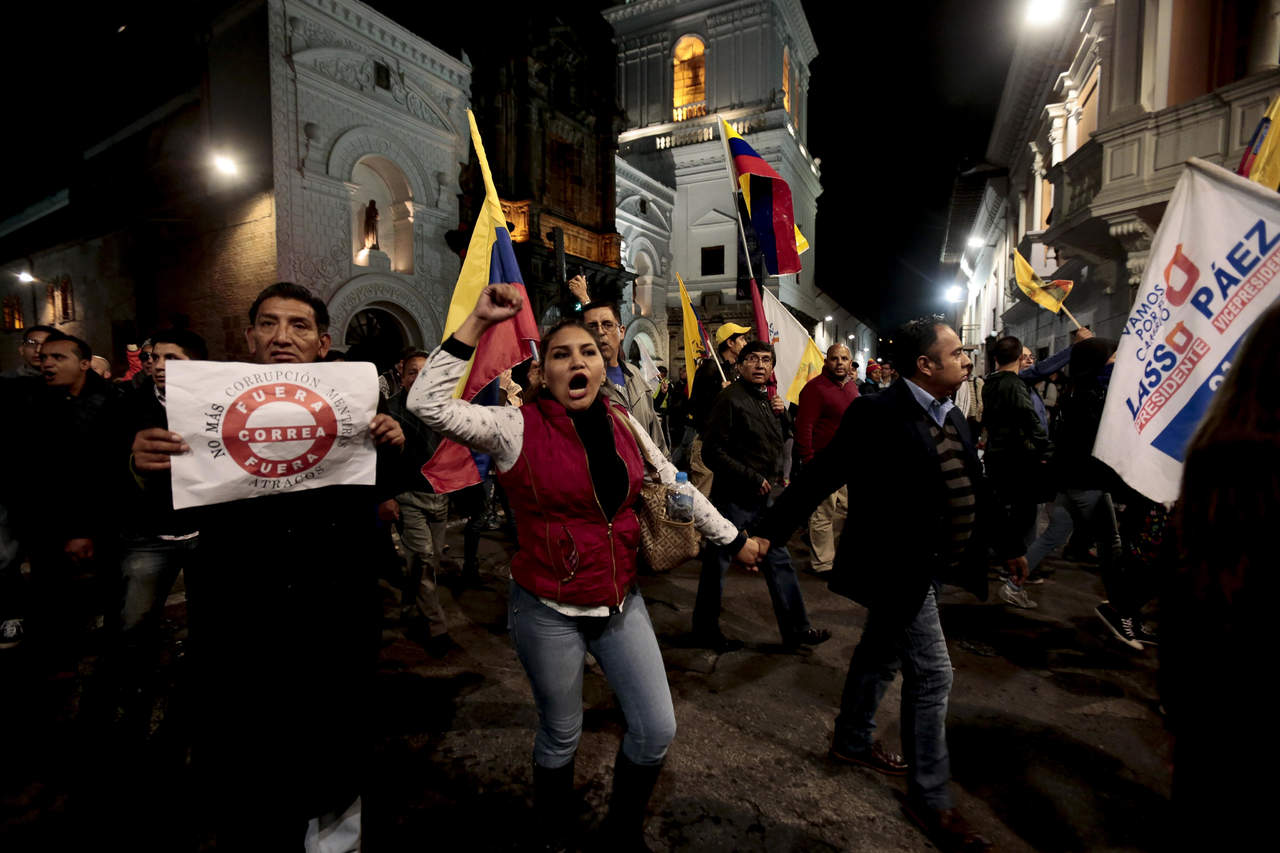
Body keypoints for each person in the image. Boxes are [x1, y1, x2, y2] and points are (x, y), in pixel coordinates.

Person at [408, 283, 759, 849]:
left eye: (588, 352)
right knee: (562, 733)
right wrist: (477, 321)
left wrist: (734, 539)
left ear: (602, 366)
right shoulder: (514, 427)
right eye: (561, 354)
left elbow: (675, 484)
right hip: (547, 609)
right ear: (543, 372)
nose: (577, 361)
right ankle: (554, 836)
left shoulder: (623, 421)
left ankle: (622, 834)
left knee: (656, 728)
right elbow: (425, 405)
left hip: (620, 600)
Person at [131, 282, 405, 848]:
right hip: (241, 613)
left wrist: (395, 445)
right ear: (249, 337)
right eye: (268, 323)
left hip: (334, 610)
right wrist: (142, 466)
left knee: (335, 741)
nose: (283, 336)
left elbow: (385, 490)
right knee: (249, 750)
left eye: (299, 325)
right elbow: (172, 500)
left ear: (323, 342)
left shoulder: (354, 409)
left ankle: (334, 832)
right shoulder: (204, 410)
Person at [754, 317, 1026, 853]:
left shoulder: (952, 414)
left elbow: (974, 483)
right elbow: (821, 474)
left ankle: (852, 740)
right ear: (925, 365)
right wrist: (768, 534)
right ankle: (931, 798)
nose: (967, 358)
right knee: (933, 675)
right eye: (956, 351)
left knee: (881, 652)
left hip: (934, 564)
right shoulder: (876, 413)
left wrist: (1010, 543)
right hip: (899, 568)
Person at [1164, 300, 1280, 848]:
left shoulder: (1215, 454)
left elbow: (1184, 596)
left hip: (1216, 711)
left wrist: (1180, 708)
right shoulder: (1237, 461)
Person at [693, 338, 830, 652]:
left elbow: (780, 439)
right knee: (717, 565)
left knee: (779, 559)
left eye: (766, 360)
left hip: (762, 501)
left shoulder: (767, 400)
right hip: (733, 499)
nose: (759, 365)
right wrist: (751, 477)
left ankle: (797, 629)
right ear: (740, 365)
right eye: (752, 359)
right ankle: (705, 630)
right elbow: (712, 452)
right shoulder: (730, 399)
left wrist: (782, 415)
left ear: (772, 368)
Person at [114, 329, 207, 688]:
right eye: (155, 358)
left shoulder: (219, 405)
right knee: (135, 620)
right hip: (150, 535)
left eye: (173, 358)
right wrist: (133, 465)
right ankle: (134, 686)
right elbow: (105, 462)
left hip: (206, 531)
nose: (160, 366)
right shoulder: (127, 404)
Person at [385, 350, 455, 654]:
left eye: (425, 372)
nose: (418, 378)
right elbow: (379, 459)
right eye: (412, 372)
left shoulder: (442, 407)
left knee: (429, 562)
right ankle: (437, 629)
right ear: (402, 376)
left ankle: (409, 604)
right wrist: (385, 496)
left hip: (440, 497)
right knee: (424, 559)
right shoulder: (390, 410)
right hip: (407, 496)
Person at [795, 344, 858, 575]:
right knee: (822, 513)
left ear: (850, 362)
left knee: (844, 512)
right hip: (822, 462)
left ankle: (834, 557)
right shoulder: (814, 389)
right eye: (834, 358)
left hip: (848, 463)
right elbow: (804, 427)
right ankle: (822, 564)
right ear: (826, 362)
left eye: (844, 358)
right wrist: (808, 459)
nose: (839, 363)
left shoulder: (851, 388)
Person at [584, 301, 668, 456]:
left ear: (621, 331)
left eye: (607, 325)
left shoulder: (635, 374)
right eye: (592, 327)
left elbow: (655, 435)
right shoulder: (582, 385)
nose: (600, 332)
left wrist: (665, 465)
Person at [688, 322, 751, 496]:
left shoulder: (734, 370)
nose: (745, 343)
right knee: (702, 496)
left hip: (728, 447)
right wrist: (720, 394)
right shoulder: (709, 368)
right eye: (742, 339)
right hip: (707, 444)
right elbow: (695, 406)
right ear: (730, 343)